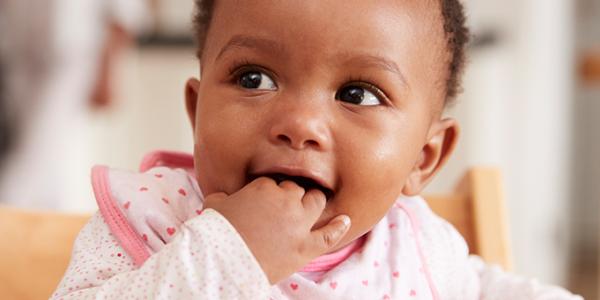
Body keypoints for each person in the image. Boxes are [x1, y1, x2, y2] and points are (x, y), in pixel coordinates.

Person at [52, 0, 581, 298]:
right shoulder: (149, 219)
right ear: (196, 113)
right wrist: (230, 251)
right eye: (254, 78)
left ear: (423, 159)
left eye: (358, 94)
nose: (299, 124)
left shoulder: (418, 248)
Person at [0, 0, 148, 210]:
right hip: (16, 53)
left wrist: (109, 68)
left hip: (67, 55)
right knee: (43, 158)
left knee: (35, 154)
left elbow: (124, 11)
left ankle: (11, 217)